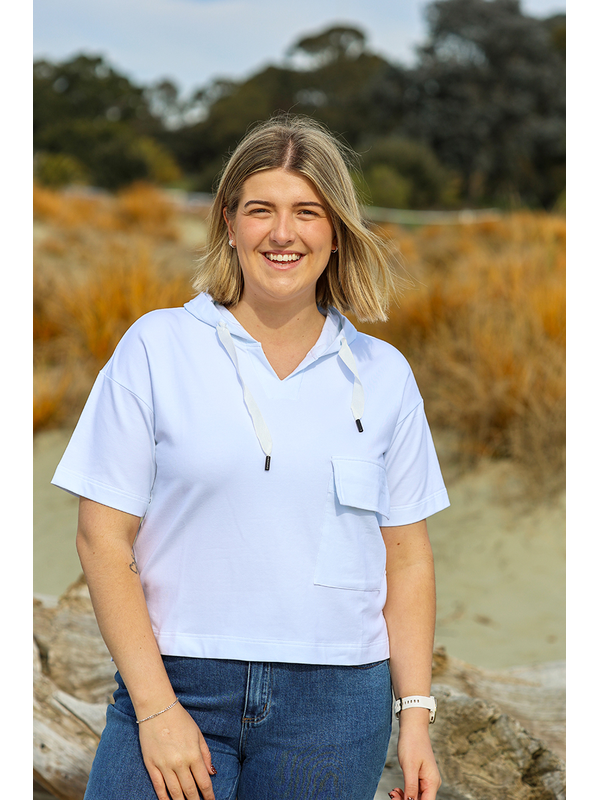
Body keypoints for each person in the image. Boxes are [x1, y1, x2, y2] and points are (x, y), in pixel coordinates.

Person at [52, 114, 450, 800]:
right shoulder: (156, 348)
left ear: (336, 229)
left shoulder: (383, 374)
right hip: (179, 680)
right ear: (229, 223)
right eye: (260, 209)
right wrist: (155, 708)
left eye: (307, 212)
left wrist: (414, 716)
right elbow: (101, 537)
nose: (283, 233)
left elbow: (407, 557)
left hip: (337, 705)